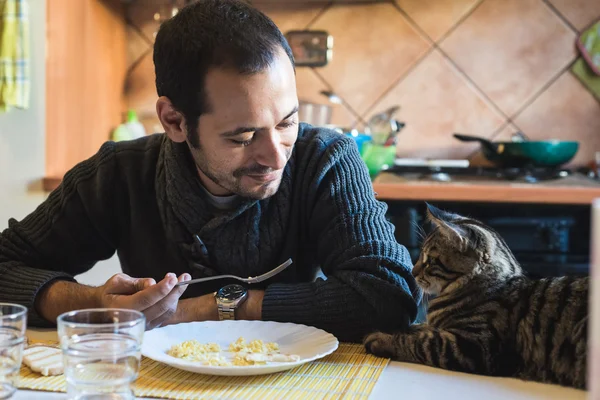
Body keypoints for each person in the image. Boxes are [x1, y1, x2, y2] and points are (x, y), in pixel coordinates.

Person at [0, 0, 420, 343]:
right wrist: (93, 302)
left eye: (286, 122)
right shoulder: (120, 173)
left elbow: (388, 296)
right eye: (242, 137)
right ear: (175, 122)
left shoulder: (326, 159)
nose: (276, 156)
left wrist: (208, 308)